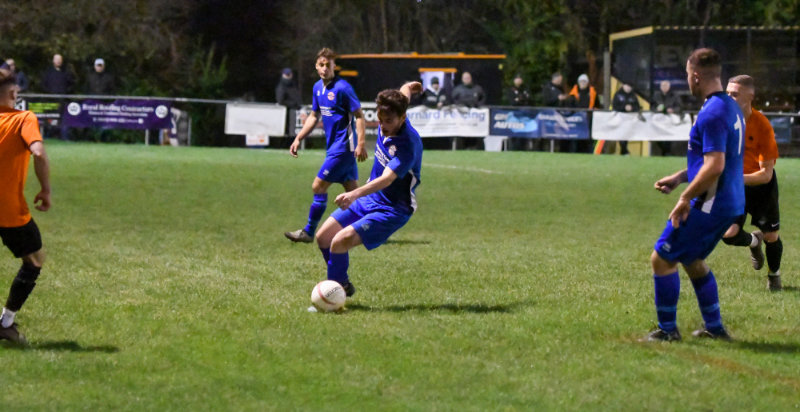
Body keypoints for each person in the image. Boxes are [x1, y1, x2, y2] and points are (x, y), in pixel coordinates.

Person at [643, 48, 744, 342]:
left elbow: (715, 165)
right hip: (729, 201)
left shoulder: (712, 112)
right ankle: (715, 328)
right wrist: (680, 177)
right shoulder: (729, 106)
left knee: (662, 258)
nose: (687, 80)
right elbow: (715, 161)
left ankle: (667, 330)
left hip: (711, 202)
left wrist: (685, 198)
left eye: (687, 74)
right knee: (693, 258)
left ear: (696, 76)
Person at [315, 81, 423, 297]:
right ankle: (342, 284)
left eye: (389, 121)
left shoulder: (408, 145)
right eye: (380, 120)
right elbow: (403, 94)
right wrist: (409, 86)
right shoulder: (396, 112)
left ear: (403, 118)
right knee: (324, 237)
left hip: (393, 209)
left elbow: (387, 179)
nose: (383, 126)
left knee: (339, 241)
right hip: (371, 198)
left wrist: (354, 193)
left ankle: (332, 295)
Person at [285, 48, 367, 243]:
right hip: (334, 147)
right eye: (321, 65)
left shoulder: (343, 88)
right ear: (316, 66)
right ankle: (370, 228)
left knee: (318, 186)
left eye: (328, 65)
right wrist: (298, 138)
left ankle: (309, 232)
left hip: (343, 147)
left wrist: (361, 143)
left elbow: (359, 116)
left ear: (334, 66)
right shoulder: (317, 88)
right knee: (353, 193)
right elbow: (314, 116)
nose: (324, 68)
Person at [0, 67, 52, 344]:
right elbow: (38, 153)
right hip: (8, 210)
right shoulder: (23, 118)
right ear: (12, 93)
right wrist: (45, 189)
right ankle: (5, 323)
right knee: (34, 259)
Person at [721, 75, 783, 291]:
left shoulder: (762, 126)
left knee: (771, 236)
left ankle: (774, 275)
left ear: (750, 96)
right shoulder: (723, 122)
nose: (729, 98)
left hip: (761, 188)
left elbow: (766, 175)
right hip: (735, 187)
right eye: (727, 93)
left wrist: (732, 178)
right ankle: (754, 242)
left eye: (734, 94)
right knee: (728, 234)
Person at [611, 83, 640, 155]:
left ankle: (624, 151)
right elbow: (614, 107)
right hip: (620, 119)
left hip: (629, 120)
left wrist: (632, 108)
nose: (628, 88)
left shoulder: (633, 96)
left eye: (630, 86)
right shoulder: (618, 95)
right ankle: (624, 151)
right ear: (623, 85)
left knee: (626, 135)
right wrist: (624, 108)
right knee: (621, 135)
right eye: (627, 85)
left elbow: (637, 107)